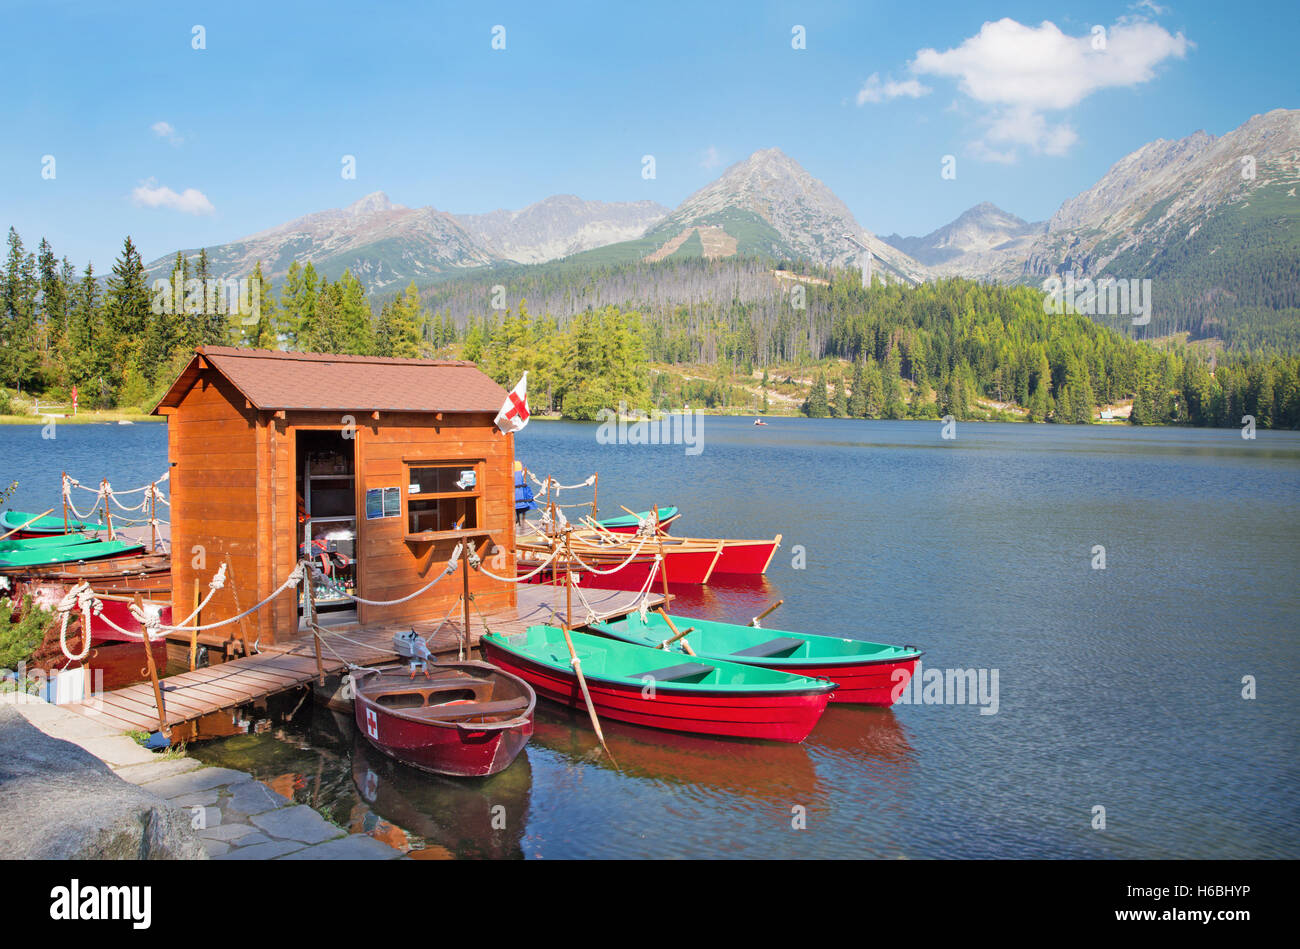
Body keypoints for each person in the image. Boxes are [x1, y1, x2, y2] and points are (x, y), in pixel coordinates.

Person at [514, 461, 536, 528]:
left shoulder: (512, 470)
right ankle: (518, 520)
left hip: (516, 495)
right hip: (520, 497)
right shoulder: (520, 475)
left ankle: (517, 520)